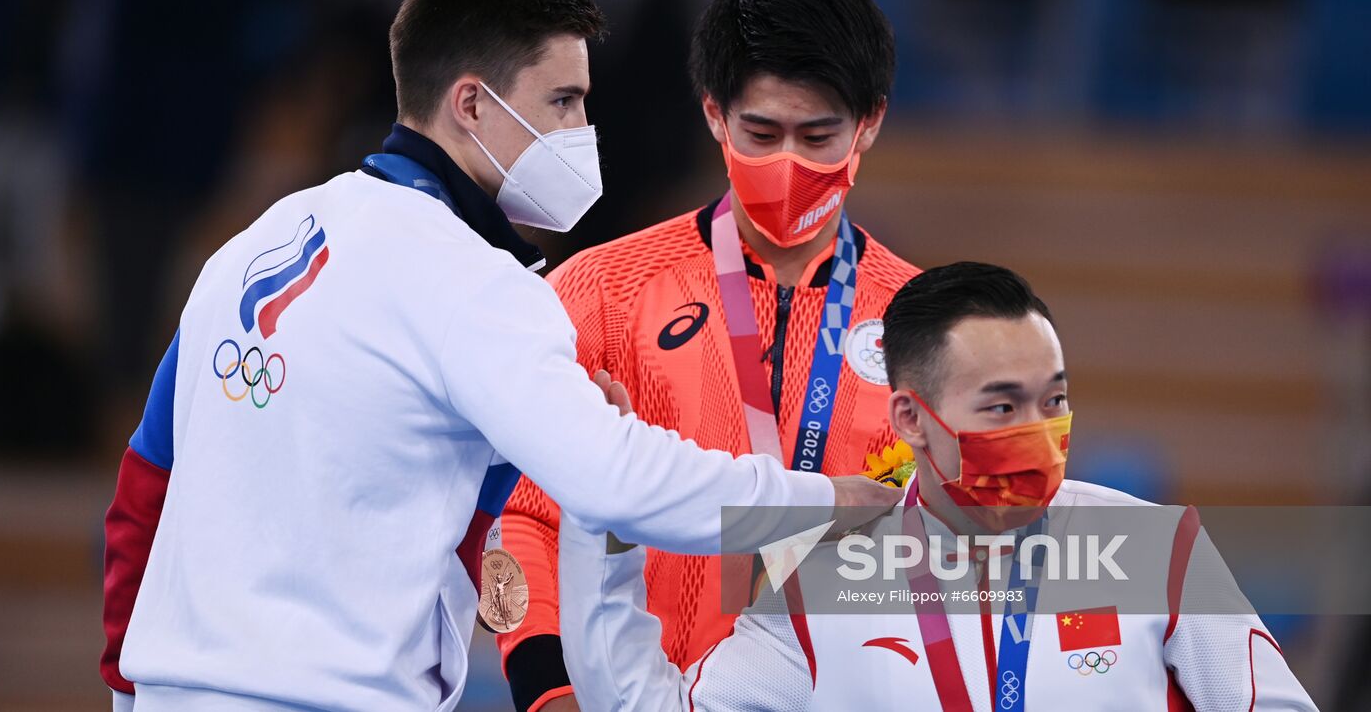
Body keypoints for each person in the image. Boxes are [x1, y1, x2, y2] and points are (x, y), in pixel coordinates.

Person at [98, 0, 898, 712]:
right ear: (473, 104)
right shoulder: (477, 285)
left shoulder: (254, 244)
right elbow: (618, 484)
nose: (584, 129)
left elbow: (143, 490)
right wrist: (827, 501)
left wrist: (129, 688)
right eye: (564, 102)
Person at [558, 262, 1317, 711]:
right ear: (911, 421)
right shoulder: (823, 585)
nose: (1040, 427)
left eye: (1053, 398)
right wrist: (608, 513)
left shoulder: (1153, 549)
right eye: (1001, 406)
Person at [498, 0, 921, 712]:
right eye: (761, 132)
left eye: (819, 135)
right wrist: (546, 689)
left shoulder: (932, 325)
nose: (788, 163)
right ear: (713, 115)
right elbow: (520, 518)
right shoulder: (596, 293)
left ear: (871, 122)